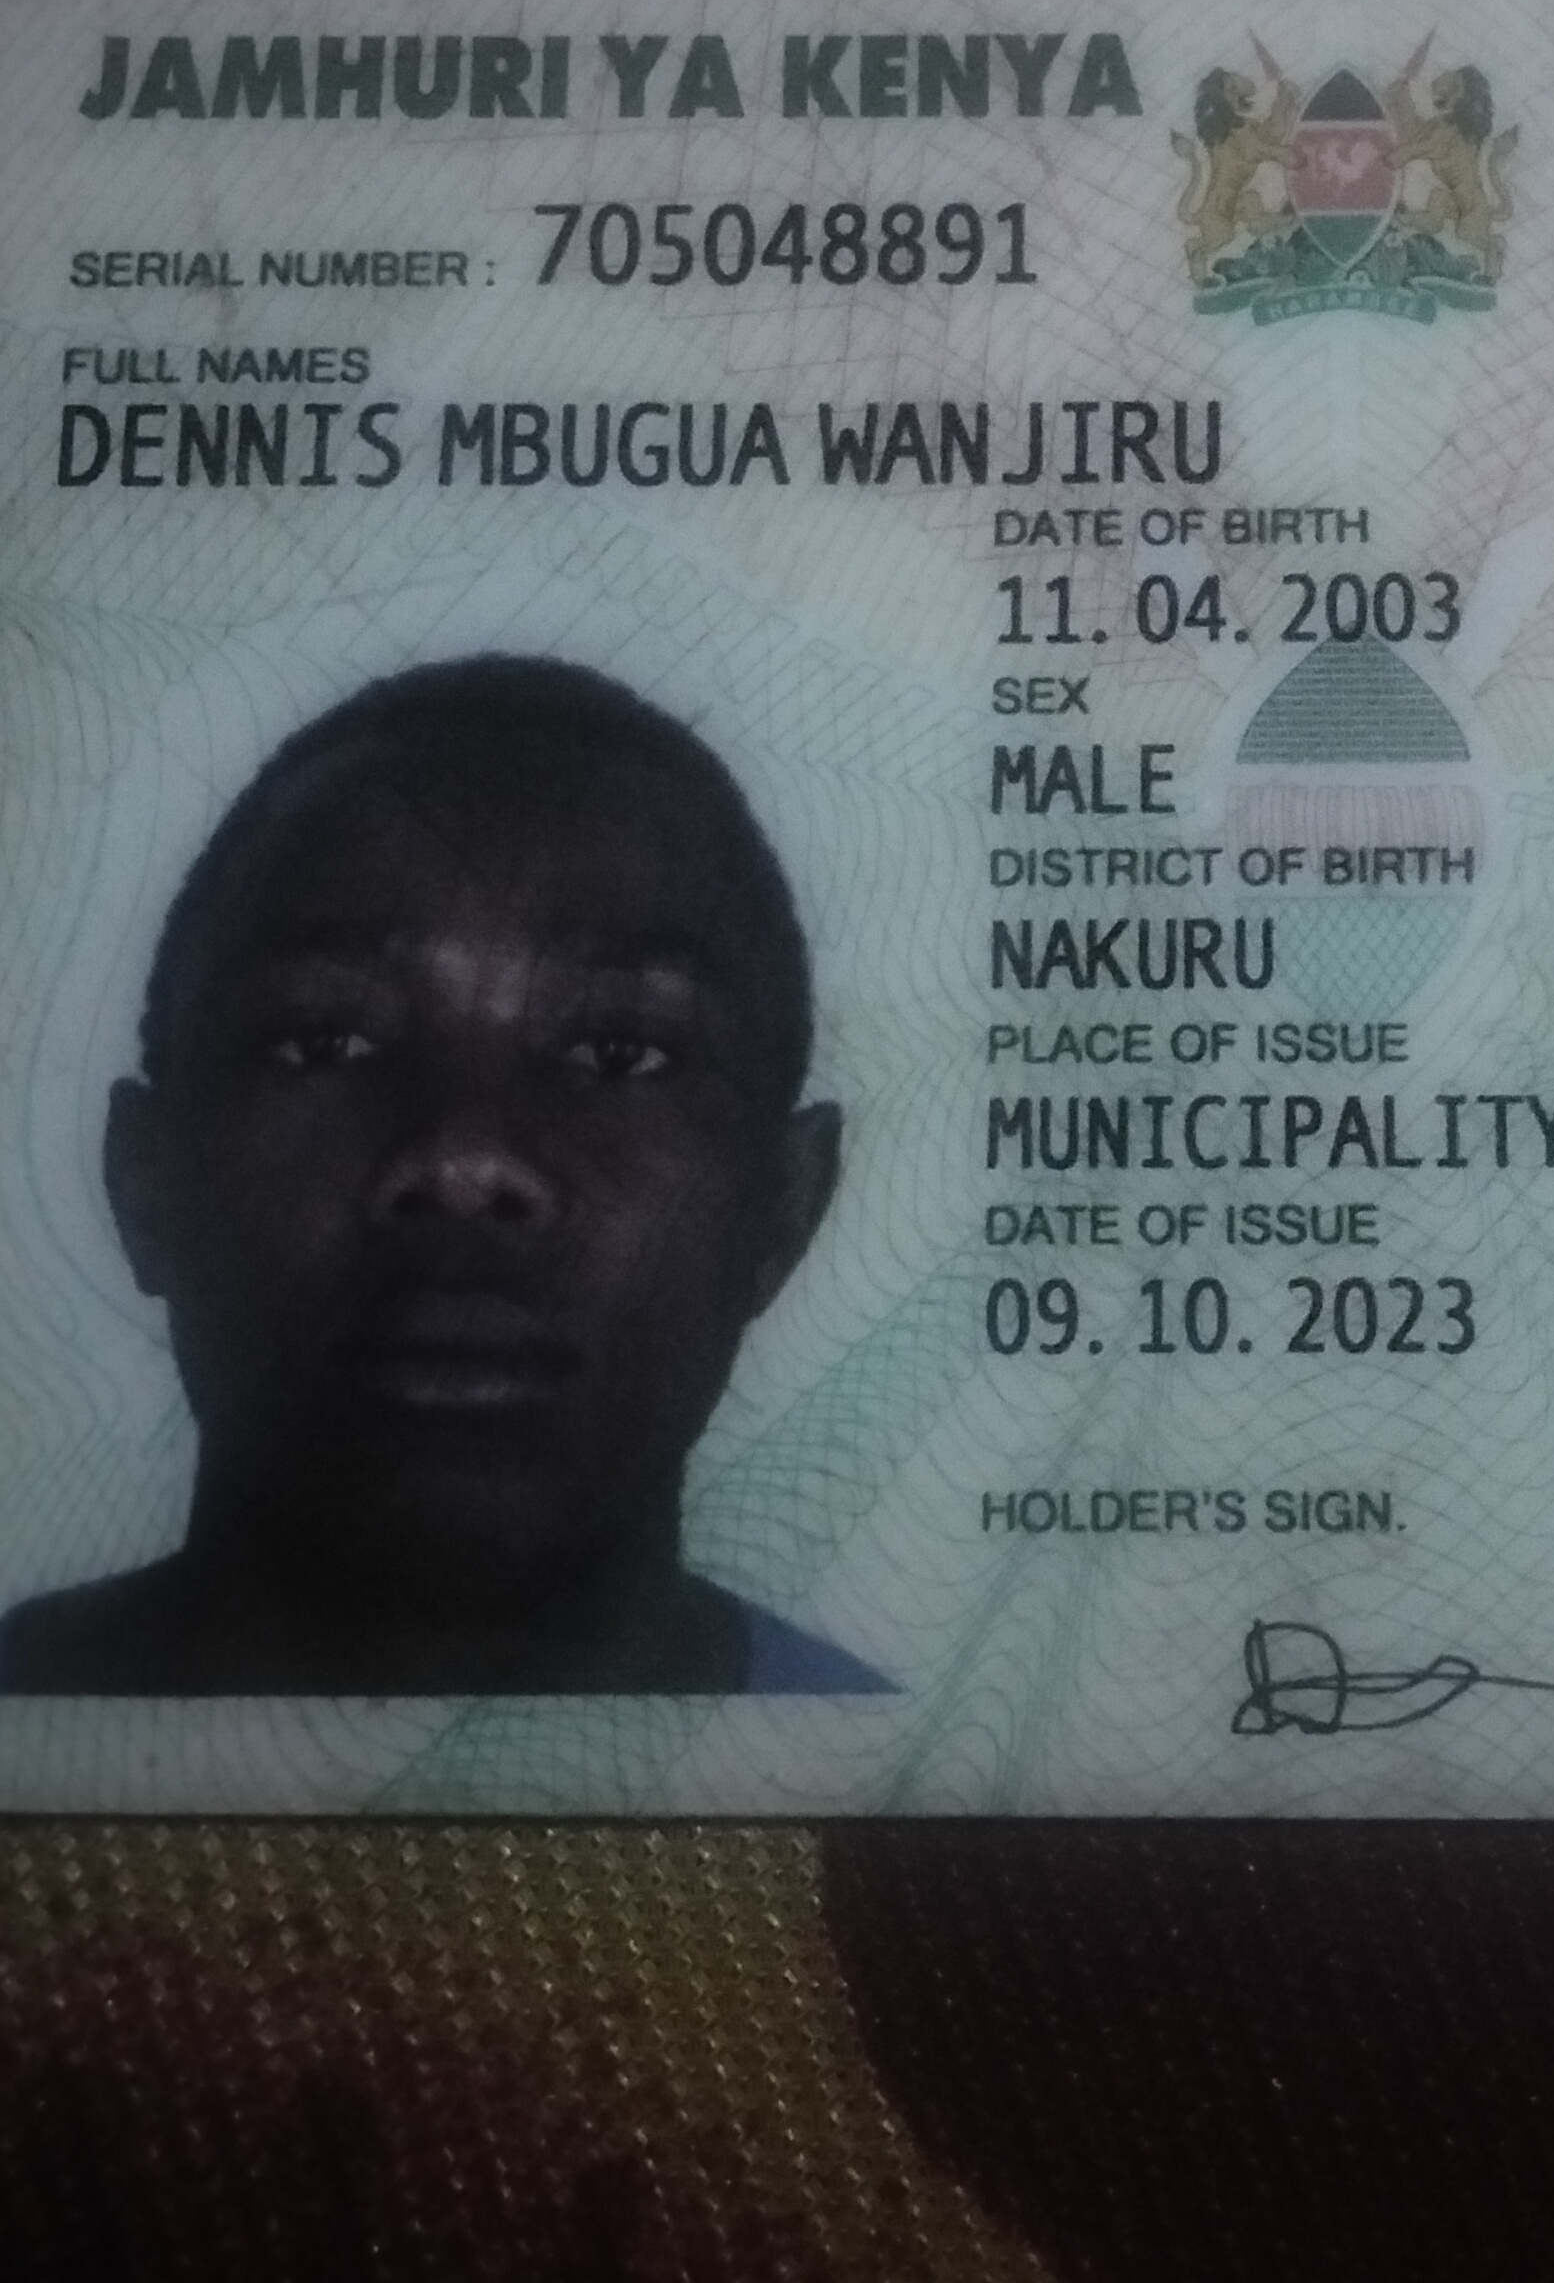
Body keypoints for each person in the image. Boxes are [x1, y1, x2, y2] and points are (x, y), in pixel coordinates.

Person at [0, 655, 892, 1698]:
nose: (467, 1162)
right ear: (145, 1184)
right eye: (325, 1042)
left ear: (784, 1209)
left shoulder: (924, 1781)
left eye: (619, 1054)